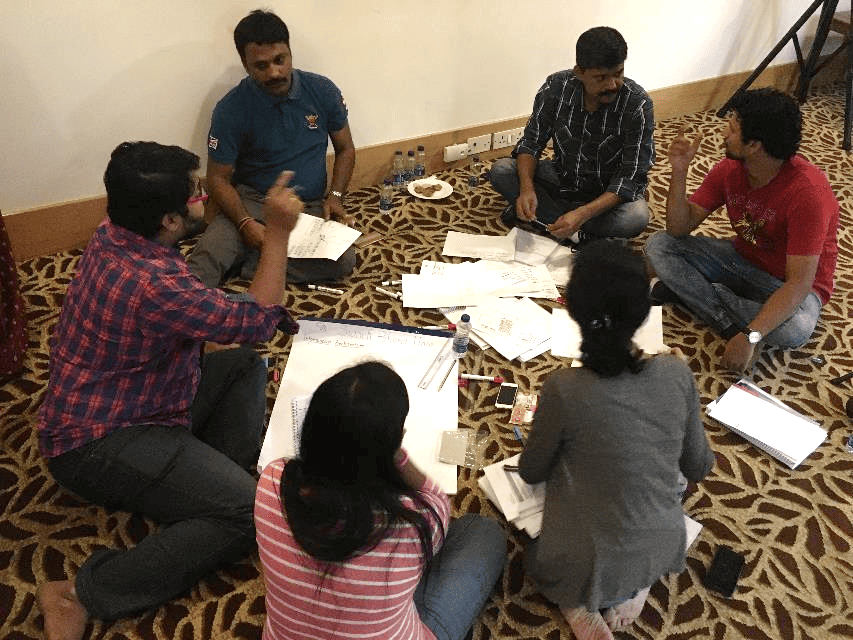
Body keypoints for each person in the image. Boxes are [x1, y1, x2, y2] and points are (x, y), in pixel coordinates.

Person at [35, 141, 303, 640]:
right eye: (196, 194)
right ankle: (81, 594)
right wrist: (279, 233)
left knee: (245, 366)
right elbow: (259, 318)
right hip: (95, 442)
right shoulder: (157, 285)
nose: (204, 197)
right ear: (170, 222)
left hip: (140, 396)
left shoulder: (113, 231)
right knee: (249, 512)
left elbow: (235, 334)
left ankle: (203, 482)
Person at [518, 240, 714, 640]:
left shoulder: (563, 387)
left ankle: (578, 603)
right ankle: (636, 585)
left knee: (534, 557)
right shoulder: (678, 372)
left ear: (571, 308)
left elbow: (531, 470)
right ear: (644, 311)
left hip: (585, 561)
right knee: (670, 487)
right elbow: (699, 467)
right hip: (662, 547)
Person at [255, 361, 507, 640]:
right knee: (483, 532)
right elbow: (438, 503)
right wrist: (397, 455)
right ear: (391, 444)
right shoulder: (414, 523)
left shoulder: (272, 482)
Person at [645, 88, 839, 371]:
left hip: (789, 285)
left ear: (754, 146)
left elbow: (798, 284)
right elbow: (677, 229)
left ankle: (701, 294)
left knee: (796, 329)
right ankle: (726, 318)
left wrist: (753, 334)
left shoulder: (809, 194)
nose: (723, 134)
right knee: (659, 246)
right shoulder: (730, 169)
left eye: (732, 129)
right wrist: (679, 171)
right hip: (741, 260)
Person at [188, 9, 357, 286]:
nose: (275, 72)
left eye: (280, 60)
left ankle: (255, 263)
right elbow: (218, 178)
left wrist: (336, 196)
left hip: (305, 206)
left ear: (290, 52)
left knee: (343, 260)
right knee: (204, 262)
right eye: (261, 66)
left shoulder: (322, 90)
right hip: (251, 204)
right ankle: (261, 257)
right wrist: (244, 223)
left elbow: (346, 149)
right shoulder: (230, 109)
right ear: (246, 65)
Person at [489, 26, 654, 244]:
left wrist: (583, 213)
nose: (612, 85)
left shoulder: (637, 104)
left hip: (607, 194)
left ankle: (557, 222)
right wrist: (527, 189)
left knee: (636, 217)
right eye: (601, 77)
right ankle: (579, 232)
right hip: (563, 177)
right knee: (502, 171)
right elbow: (531, 143)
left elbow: (631, 177)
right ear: (579, 73)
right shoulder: (556, 88)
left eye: (618, 74)